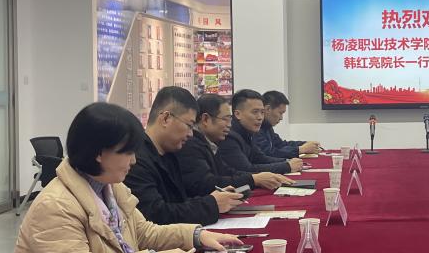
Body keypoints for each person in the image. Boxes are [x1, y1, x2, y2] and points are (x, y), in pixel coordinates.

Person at [0, 103, 243, 253]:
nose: (134, 160)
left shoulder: (111, 187)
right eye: (128, 152)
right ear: (99, 153)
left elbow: (144, 233)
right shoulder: (56, 205)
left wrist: (196, 235)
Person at [124, 86, 244, 225]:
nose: (191, 134)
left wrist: (214, 199)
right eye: (189, 125)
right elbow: (156, 215)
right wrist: (211, 204)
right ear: (166, 118)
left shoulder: (169, 153)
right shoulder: (136, 160)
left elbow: (179, 202)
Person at [177, 93, 294, 196]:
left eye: (262, 112)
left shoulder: (210, 142)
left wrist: (258, 177)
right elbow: (206, 184)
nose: (229, 124)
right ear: (205, 119)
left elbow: (227, 171)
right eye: (225, 119)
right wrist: (255, 179)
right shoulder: (191, 144)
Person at [217, 89, 303, 175]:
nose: (260, 117)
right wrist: (286, 166)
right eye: (255, 112)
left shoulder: (248, 131)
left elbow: (260, 158)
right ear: (237, 114)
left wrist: (287, 161)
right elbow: (247, 169)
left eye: (262, 112)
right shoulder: (229, 137)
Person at [253, 90, 321, 159]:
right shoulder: (255, 128)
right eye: (280, 113)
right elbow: (268, 153)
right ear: (268, 109)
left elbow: (281, 145)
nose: (281, 118)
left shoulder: (267, 126)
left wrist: (305, 143)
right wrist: (300, 149)